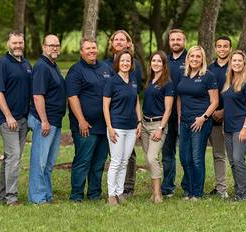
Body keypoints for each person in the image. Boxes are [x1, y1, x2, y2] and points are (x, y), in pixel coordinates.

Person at [66, 37, 113, 202]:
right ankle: (76, 195)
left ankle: (94, 194)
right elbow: (72, 97)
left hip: (104, 125)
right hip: (85, 126)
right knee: (83, 160)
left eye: (94, 47)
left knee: (99, 162)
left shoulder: (106, 68)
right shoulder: (76, 70)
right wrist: (81, 120)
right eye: (88, 48)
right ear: (81, 51)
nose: (92, 51)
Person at [0, 31, 31, 205]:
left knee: (11, 158)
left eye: (20, 43)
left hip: (22, 119)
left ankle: (2, 195)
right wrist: (8, 116)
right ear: (8, 44)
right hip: (8, 120)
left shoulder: (27, 65)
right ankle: (11, 198)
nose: (18, 46)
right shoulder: (2, 64)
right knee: (14, 157)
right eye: (14, 43)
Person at [27, 34, 66, 204]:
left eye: (57, 45)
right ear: (44, 47)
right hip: (44, 121)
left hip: (54, 121)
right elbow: (37, 96)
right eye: (51, 45)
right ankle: (37, 198)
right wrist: (44, 120)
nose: (54, 48)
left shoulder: (53, 65)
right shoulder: (42, 66)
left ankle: (47, 195)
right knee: (39, 162)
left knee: (48, 163)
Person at [177, 45, 219, 200]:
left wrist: (203, 118)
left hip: (200, 122)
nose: (194, 59)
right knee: (184, 157)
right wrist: (180, 116)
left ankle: (197, 192)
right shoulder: (184, 75)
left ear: (202, 59)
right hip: (185, 122)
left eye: (198, 56)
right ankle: (187, 189)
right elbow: (180, 97)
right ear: (188, 58)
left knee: (196, 157)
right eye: (192, 56)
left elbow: (215, 101)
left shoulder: (208, 76)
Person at [103, 30, 142, 197]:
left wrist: (139, 122)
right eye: (122, 61)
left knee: (125, 161)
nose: (125, 63)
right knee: (116, 161)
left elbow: (137, 101)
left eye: (128, 61)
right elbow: (105, 106)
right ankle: (112, 195)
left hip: (131, 127)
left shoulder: (133, 80)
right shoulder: (111, 80)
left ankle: (121, 193)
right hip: (116, 126)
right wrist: (109, 127)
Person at [221, 50, 246, 201]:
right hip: (228, 127)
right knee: (232, 161)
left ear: (244, 63)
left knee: (238, 158)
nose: (236, 63)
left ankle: (243, 193)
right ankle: (238, 192)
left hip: (242, 127)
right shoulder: (229, 81)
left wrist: (244, 128)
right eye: (233, 61)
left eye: (239, 61)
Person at [140, 51, 174, 203]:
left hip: (157, 125)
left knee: (152, 158)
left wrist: (161, 128)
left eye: (159, 61)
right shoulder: (150, 81)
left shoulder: (167, 83)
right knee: (149, 160)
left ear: (164, 64)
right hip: (145, 124)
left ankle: (158, 195)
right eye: (153, 60)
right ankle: (154, 193)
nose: (156, 63)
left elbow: (168, 109)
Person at [161, 29, 187, 197]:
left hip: (187, 114)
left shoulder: (191, 59)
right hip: (167, 115)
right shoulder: (165, 61)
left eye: (179, 39)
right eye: (173, 39)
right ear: (169, 42)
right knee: (167, 152)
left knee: (186, 153)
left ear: (184, 41)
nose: (176, 42)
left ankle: (188, 186)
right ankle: (168, 187)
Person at [207, 36, 232, 199]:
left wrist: (223, 112)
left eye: (225, 46)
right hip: (209, 116)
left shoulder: (234, 67)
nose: (222, 49)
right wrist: (212, 112)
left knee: (219, 154)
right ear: (215, 48)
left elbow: (237, 94)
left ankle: (221, 188)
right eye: (219, 46)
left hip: (227, 117)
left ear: (230, 49)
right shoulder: (209, 68)